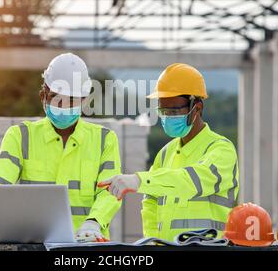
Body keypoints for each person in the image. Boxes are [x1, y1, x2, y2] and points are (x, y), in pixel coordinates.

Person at [0, 53, 122, 243]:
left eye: (71, 99)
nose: (63, 105)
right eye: (55, 97)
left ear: (84, 100)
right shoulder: (19, 136)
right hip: (33, 244)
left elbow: (110, 192)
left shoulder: (104, 139)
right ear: (43, 96)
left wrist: (94, 222)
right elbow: (0, 190)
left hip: (86, 245)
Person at [99, 63, 239, 241]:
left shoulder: (221, 149)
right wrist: (152, 242)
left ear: (197, 107)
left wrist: (138, 180)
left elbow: (190, 182)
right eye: (163, 111)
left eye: (173, 110)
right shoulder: (166, 153)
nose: (167, 117)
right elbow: (150, 204)